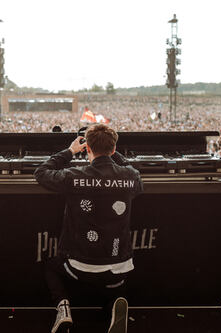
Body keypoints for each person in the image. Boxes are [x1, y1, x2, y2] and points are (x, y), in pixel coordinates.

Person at [34, 124, 143, 333]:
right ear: (113, 149)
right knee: (115, 283)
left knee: (50, 266)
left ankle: (63, 308)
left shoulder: (74, 176)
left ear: (87, 149)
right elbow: (133, 171)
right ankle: (114, 305)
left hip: (79, 265)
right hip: (119, 267)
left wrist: (70, 151)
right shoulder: (129, 177)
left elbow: (41, 172)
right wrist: (112, 152)